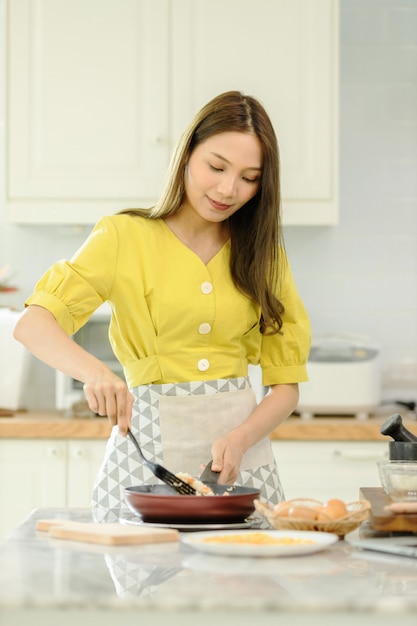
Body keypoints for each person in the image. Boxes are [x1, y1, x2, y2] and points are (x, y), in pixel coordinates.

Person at [14, 91, 311, 514]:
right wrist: (96, 373)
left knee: (247, 577)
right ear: (186, 154)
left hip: (243, 462)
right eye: (216, 167)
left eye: (249, 177)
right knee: (143, 573)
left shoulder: (265, 255)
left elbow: (285, 387)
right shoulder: (123, 236)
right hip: (145, 458)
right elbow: (33, 324)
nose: (229, 189)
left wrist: (242, 437)